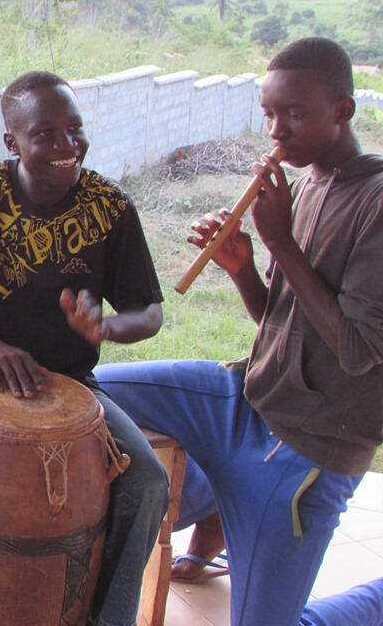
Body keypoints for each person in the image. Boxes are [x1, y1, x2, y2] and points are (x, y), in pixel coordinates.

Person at [94, 36, 383, 626]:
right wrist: (243, 266)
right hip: (242, 403)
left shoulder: (375, 200)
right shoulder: (305, 186)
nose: (276, 131)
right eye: (269, 114)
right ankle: (211, 504)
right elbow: (280, 322)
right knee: (87, 388)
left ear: (343, 111)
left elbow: (357, 351)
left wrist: (277, 240)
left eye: (294, 114)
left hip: (307, 453)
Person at [0, 70, 168, 626]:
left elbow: (150, 311)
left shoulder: (109, 209)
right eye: (46, 133)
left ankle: (106, 617)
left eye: (75, 129)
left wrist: (108, 329)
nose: (67, 145)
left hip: (75, 390)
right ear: (12, 142)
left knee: (146, 482)